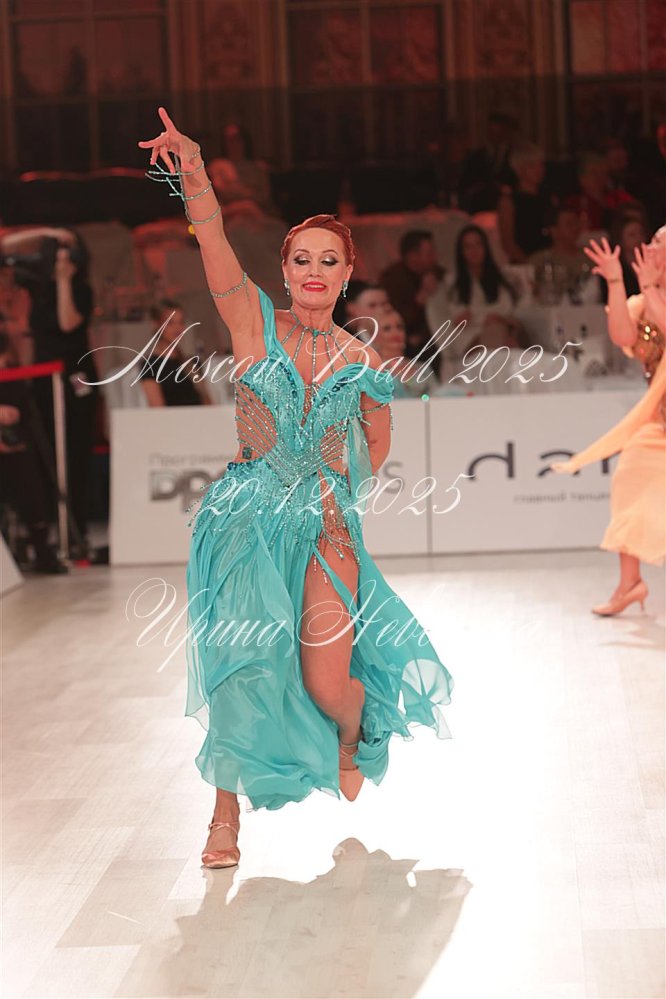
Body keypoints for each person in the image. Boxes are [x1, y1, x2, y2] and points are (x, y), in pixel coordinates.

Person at [139, 107, 454, 868]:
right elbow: (213, 243)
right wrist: (195, 175)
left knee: (325, 682)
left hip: (326, 525)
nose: (315, 270)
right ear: (284, 271)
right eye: (302, 259)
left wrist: (341, 483)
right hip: (245, 519)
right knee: (241, 670)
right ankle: (224, 819)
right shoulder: (253, 325)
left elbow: (378, 438)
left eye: (329, 261)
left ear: (347, 275)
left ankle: (354, 723)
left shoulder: (361, 360)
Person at [551, 230, 666, 614]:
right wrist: (616, 282)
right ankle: (630, 583)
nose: (650, 246)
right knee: (629, 478)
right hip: (660, 421)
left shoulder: (651, 296)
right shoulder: (642, 302)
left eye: (659, 242)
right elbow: (621, 335)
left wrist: (650, 287)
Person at [0, 226, 98, 560]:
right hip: (44, 379)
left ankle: (77, 529)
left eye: (67, 255)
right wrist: (47, 231)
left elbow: (68, 323)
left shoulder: (81, 289)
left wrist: (64, 282)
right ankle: (49, 531)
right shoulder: (37, 288)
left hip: (76, 379)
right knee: (45, 453)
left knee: (76, 453)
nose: (60, 261)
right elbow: (5, 248)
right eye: (56, 254)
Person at [0, 332, 68, 574]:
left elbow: (26, 416)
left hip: (17, 449)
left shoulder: (14, 378)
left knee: (28, 472)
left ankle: (41, 547)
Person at [426, 224, 521, 380]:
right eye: (468, 247)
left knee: (502, 334)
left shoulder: (500, 278)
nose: (474, 251)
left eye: (478, 244)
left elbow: (507, 309)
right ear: (461, 252)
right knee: (496, 333)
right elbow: (461, 319)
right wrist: (490, 318)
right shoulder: (452, 281)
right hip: (469, 339)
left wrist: (496, 319)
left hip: (500, 332)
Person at [379, 230, 445, 375]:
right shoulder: (393, 280)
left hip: (438, 336)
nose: (434, 257)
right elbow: (396, 317)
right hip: (407, 344)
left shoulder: (439, 274)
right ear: (412, 256)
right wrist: (422, 296)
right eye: (429, 253)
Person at [139, 298, 212, 407]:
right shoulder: (150, 366)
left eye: (181, 322)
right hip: (171, 417)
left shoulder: (192, 362)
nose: (177, 328)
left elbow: (208, 403)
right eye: (170, 323)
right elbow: (157, 408)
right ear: (156, 324)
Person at [206, 122, 277, 222]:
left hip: (257, 209)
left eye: (236, 138)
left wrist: (235, 187)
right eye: (228, 139)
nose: (233, 143)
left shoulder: (257, 167)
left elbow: (264, 195)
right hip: (227, 211)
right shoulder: (217, 166)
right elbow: (224, 192)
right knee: (247, 208)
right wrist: (249, 191)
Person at [529, 205, 601, 304]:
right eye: (569, 224)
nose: (575, 228)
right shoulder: (538, 261)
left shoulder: (590, 256)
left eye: (576, 223)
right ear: (554, 230)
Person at [497, 142, 553, 262]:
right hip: (524, 263)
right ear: (518, 169)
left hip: (550, 259)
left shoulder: (549, 198)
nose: (539, 169)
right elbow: (508, 243)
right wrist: (529, 264)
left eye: (541, 164)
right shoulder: (509, 202)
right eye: (532, 165)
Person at [374, 309, 438, 399]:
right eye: (387, 329)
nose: (395, 333)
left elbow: (438, 398)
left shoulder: (422, 368)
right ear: (374, 337)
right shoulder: (371, 371)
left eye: (399, 327)